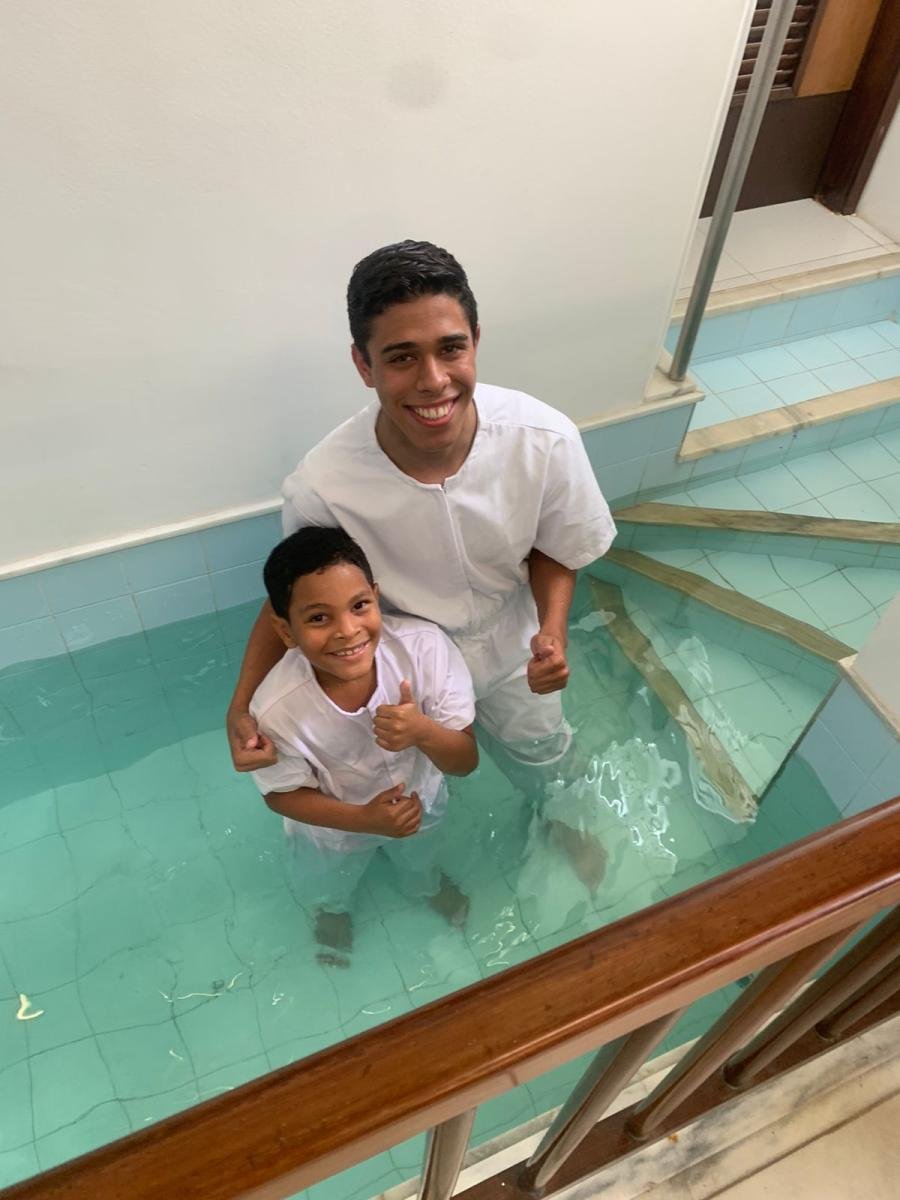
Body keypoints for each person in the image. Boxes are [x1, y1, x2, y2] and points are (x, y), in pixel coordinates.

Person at [228, 240, 616, 884]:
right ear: (364, 364)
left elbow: (555, 545)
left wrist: (551, 629)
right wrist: (241, 706)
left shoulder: (543, 439)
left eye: (450, 348)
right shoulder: (326, 487)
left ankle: (561, 819)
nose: (433, 381)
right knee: (395, 780)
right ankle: (403, 866)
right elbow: (292, 602)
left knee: (543, 748)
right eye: (401, 357)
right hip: (403, 668)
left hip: (512, 641)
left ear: (475, 341)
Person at [250, 525, 477, 963]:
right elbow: (281, 795)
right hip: (332, 829)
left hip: (419, 804)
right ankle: (333, 910)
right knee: (328, 880)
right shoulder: (276, 708)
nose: (347, 630)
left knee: (421, 858)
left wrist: (424, 732)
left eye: (359, 606)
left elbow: (466, 762)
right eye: (319, 618)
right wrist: (362, 819)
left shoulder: (425, 650)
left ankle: (424, 885)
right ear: (285, 631)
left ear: (376, 596)